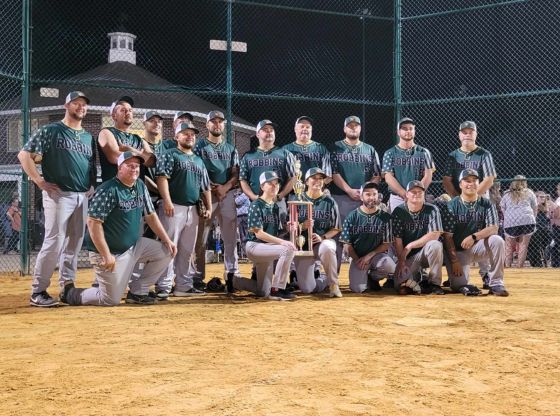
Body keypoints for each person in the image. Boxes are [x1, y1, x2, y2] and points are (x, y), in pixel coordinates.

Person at [59, 152, 177, 306]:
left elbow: (151, 215)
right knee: (110, 299)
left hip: (133, 247)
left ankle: (138, 292)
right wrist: (106, 254)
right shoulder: (108, 190)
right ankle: (71, 293)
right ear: (119, 168)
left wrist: (167, 240)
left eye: (137, 166)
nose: (134, 169)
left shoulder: (140, 186)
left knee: (167, 251)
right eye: (129, 165)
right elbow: (93, 223)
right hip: (110, 252)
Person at [18, 91, 96, 307]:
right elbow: (24, 155)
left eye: (83, 104)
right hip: (59, 195)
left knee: (74, 243)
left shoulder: (88, 137)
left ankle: (67, 286)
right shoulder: (52, 130)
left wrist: (90, 186)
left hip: (82, 196)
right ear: (66, 105)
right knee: (54, 242)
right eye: (76, 103)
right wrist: (40, 182)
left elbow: (89, 165)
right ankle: (38, 291)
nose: (81, 106)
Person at [153, 122, 211, 297]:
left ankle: (183, 285)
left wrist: (208, 207)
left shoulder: (199, 160)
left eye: (192, 134)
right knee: (169, 247)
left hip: (192, 209)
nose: (189, 136)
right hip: (174, 207)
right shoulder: (170, 154)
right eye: (185, 133)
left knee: (187, 249)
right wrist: (167, 201)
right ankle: (163, 286)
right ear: (176, 137)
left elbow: (205, 187)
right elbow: (162, 178)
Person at [193, 110, 240, 293]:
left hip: (226, 195)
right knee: (201, 239)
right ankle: (197, 277)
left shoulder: (231, 149)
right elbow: (198, 170)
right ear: (207, 125)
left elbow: (235, 174)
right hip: (207, 195)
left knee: (230, 237)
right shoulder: (200, 147)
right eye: (213, 121)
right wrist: (214, 188)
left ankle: (231, 275)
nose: (217, 124)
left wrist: (224, 188)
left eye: (220, 121)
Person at [441, 169, 509, 296]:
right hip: (458, 250)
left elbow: (493, 228)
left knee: (497, 240)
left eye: (474, 181)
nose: (471, 184)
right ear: (460, 184)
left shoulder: (487, 203)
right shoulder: (451, 205)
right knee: (458, 286)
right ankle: (455, 279)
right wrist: (454, 261)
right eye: (467, 181)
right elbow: (447, 237)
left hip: (478, 247)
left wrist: (474, 237)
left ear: (479, 183)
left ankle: (496, 283)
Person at [233, 171, 297, 300]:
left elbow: (275, 233)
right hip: (255, 246)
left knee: (262, 291)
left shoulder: (274, 207)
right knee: (288, 249)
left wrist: (287, 229)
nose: (275, 186)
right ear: (262, 187)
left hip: (267, 248)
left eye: (276, 183)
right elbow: (260, 234)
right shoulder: (256, 205)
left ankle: (234, 281)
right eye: (270, 184)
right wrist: (282, 242)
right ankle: (278, 288)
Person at [330, 116, 381, 270]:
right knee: (338, 237)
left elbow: (377, 174)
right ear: (344, 129)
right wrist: (349, 190)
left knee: (363, 235)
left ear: (360, 128)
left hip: (363, 201)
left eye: (356, 125)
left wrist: (364, 192)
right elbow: (333, 172)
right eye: (350, 126)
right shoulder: (335, 147)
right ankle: (333, 278)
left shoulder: (370, 149)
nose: (353, 128)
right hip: (341, 198)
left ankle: (364, 272)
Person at [289, 168, 342, 297]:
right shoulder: (297, 199)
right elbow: (289, 226)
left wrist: (322, 237)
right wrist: (302, 226)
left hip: (321, 243)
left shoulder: (329, 202)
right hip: (303, 245)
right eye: (314, 178)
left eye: (321, 178)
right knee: (307, 289)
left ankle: (333, 284)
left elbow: (336, 228)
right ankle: (322, 280)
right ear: (306, 181)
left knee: (328, 247)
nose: (318, 181)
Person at [391, 180, 445, 295]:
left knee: (435, 245)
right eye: (413, 192)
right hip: (408, 257)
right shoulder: (399, 211)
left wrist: (410, 245)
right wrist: (401, 261)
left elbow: (435, 234)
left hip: (426, 252)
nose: (417, 194)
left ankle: (434, 283)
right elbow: (398, 239)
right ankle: (419, 278)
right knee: (400, 286)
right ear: (407, 194)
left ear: (424, 194)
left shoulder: (432, 209)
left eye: (420, 192)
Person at [340, 182, 395, 293]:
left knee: (390, 266)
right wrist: (356, 259)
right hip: (358, 258)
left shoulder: (385, 217)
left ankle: (373, 277)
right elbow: (346, 244)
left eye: (374, 194)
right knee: (358, 289)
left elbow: (387, 243)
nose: (371, 197)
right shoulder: (352, 216)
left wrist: (370, 255)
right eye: (368, 194)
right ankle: (362, 276)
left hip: (376, 256)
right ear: (361, 196)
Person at [239, 120, 295, 221]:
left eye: (271, 130)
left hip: (277, 202)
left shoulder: (285, 154)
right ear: (257, 134)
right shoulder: (248, 156)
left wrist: (280, 196)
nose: (269, 132)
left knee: (279, 233)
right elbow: (243, 180)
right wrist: (253, 197)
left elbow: (293, 178)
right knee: (256, 233)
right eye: (265, 130)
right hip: (255, 202)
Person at [381, 118, 435, 212]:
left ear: (414, 131)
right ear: (398, 132)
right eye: (405, 129)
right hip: (397, 198)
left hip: (418, 197)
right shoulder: (389, 153)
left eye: (411, 128)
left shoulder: (424, 152)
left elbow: (428, 176)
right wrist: (404, 194)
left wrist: (416, 194)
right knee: (397, 225)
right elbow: (388, 177)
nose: (408, 131)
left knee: (419, 226)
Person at [97, 95, 154, 182]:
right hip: (115, 189)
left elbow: (151, 161)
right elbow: (114, 157)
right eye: (123, 110)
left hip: (136, 191)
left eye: (130, 110)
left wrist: (129, 149)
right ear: (114, 116)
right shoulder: (106, 132)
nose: (128, 112)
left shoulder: (139, 139)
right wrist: (142, 156)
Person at [442, 121, 497, 197]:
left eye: (471, 132)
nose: (467, 135)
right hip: (458, 199)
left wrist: (472, 197)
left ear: (476, 135)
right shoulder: (453, 156)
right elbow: (446, 180)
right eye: (464, 133)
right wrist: (458, 199)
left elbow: (489, 179)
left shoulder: (484, 154)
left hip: (479, 198)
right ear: (459, 135)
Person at [500, 175, 537, 268]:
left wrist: (508, 216)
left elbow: (502, 208)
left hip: (511, 221)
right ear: (525, 183)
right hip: (527, 219)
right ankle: (519, 267)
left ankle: (507, 267)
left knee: (508, 245)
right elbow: (535, 207)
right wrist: (533, 218)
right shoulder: (529, 192)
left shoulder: (506, 194)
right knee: (523, 245)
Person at [282, 116, 331, 183]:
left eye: (308, 127)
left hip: (316, 190)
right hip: (293, 191)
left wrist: (316, 188)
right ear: (295, 129)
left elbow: (328, 176)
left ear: (311, 130)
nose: (305, 129)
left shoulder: (321, 148)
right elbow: (282, 175)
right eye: (302, 126)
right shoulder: (286, 149)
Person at [528, 192, 558, 267]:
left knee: (545, 241)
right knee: (535, 243)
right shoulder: (533, 206)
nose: (543, 198)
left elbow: (554, 211)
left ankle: (545, 259)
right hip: (536, 229)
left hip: (546, 230)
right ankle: (538, 262)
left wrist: (549, 202)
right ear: (535, 197)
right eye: (540, 197)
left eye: (544, 197)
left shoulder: (548, 206)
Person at [235, 189, 251, 259]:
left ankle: (249, 254)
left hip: (244, 216)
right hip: (241, 217)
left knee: (245, 237)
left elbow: (236, 202)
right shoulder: (242, 194)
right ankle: (247, 254)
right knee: (243, 237)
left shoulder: (245, 194)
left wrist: (235, 196)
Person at [551, 182, 560, 267]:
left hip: (558, 226)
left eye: (558, 189)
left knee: (555, 245)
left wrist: (552, 214)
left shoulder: (559, 199)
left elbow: (557, 214)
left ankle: (556, 264)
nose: (557, 191)